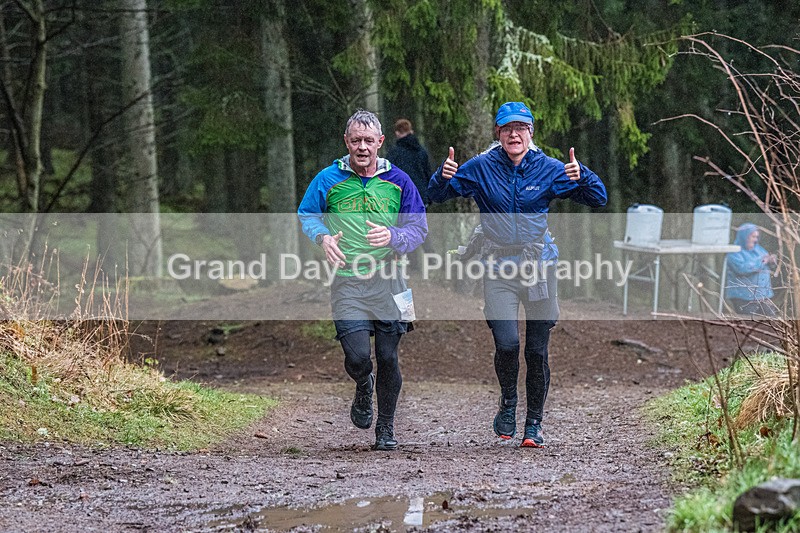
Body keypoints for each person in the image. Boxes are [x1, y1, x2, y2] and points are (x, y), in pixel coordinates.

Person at [427, 101, 607, 447]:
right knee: (507, 343)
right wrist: (443, 174)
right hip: (498, 267)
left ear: (531, 134)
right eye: (507, 128)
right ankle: (508, 402)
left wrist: (581, 173)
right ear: (498, 133)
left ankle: (533, 424)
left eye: (521, 128)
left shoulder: (549, 168)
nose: (514, 134)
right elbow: (435, 195)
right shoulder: (480, 167)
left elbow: (597, 198)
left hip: (539, 266)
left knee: (537, 351)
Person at [297, 109, 427, 451]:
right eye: (356, 140)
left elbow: (419, 228)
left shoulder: (400, 180)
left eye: (369, 141)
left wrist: (394, 237)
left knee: (388, 357)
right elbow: (307, 213)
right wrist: (322, 237)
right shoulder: (328, 179)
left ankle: (385, 428)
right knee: (357, 357)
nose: (363, 147)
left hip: (388, 280)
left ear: (381, 142)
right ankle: (362, 383)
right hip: (347, 280)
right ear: (346, 142)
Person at [726, 223, 778, 317]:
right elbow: (742, 269)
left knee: (772, 321)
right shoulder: (734, 252)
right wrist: (763, 261)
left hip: (763, 296)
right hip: (743, 297)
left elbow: (769, 266)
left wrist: (772, 262)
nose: (755, 240)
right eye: (753, 237)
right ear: (744, 236)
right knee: (750, 323)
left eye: (757, 237)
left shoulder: (759, 250)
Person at [387, 118, 433, 205]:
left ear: (397, 133)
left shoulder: (394, 153)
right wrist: (429, 196)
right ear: (411, 131)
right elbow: (428, 174)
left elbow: (389, 175)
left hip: (401, 197)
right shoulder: (421, 151)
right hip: (420, 196)